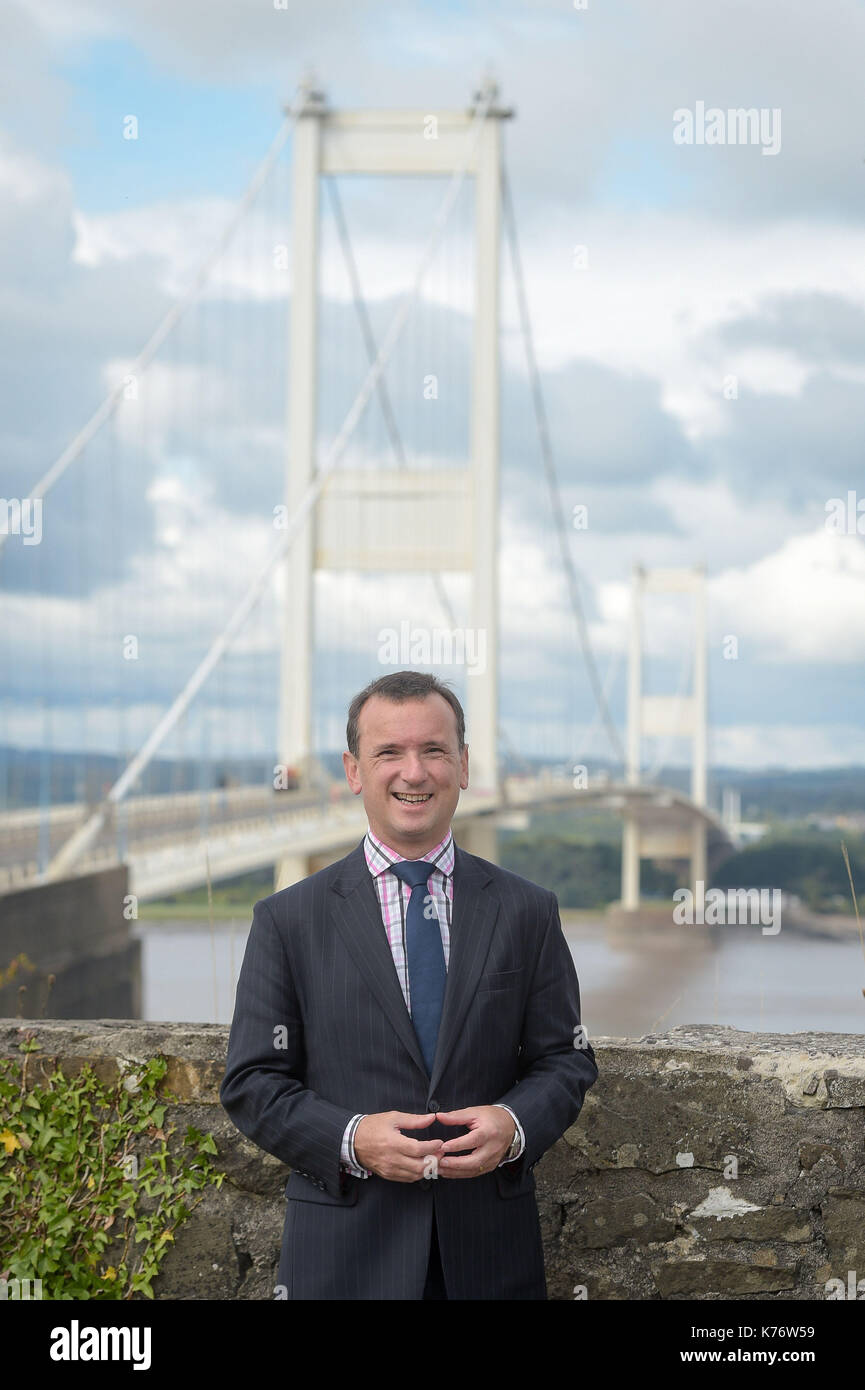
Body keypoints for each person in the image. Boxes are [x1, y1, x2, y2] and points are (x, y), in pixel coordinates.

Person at [220, 670, 598, 1299]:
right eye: (388, 752)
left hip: (490, 1257)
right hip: (343, 1262)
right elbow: (252, 1082)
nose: (414, 773)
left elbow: (565, 1059)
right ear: (353, 770)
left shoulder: (528, 911)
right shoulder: (287, 920)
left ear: (465, 765)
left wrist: (514, 1124)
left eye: (434, 751)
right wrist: (350, 1139)